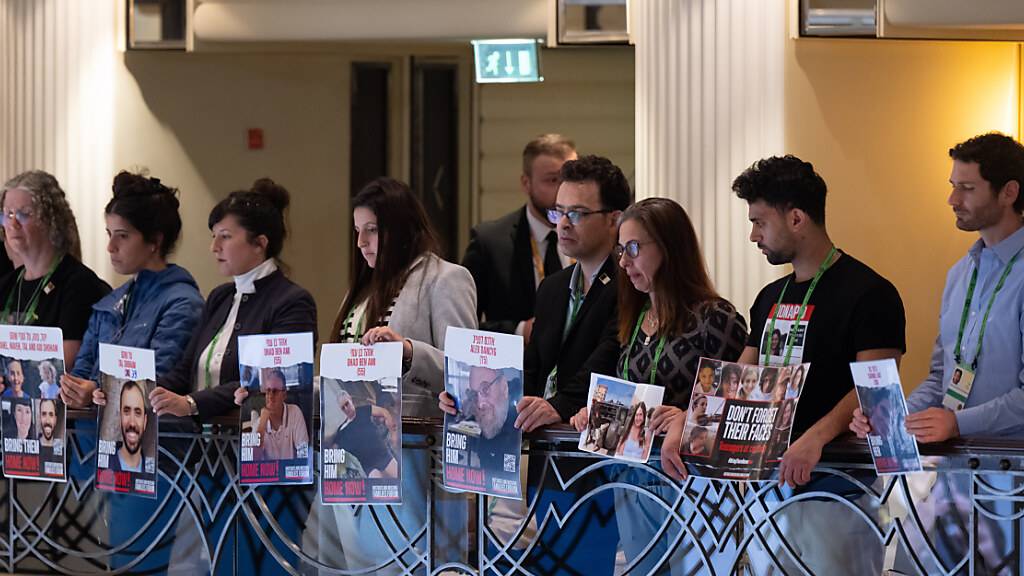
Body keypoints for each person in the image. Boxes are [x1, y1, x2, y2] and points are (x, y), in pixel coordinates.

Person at [659, 155, 905, 576]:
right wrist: (689, 421)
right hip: (767, 490)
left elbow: (875, 388)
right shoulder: (770, 297)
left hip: (837, 488)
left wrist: (816, 438)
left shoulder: (870, 293)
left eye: (759, 221)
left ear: (796, 218)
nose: (753, 235)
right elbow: (739, 378)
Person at [849, 134, 1024, 574]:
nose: (952, 199)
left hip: (1011, 479)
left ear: (1009, 192)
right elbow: (942, 375)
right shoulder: (960, 274)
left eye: (966, 188)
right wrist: (892, 415)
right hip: (955, 477)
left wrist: (957, 422)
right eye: (952, 185)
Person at [571, 197, 748, 576]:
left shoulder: (716, 319)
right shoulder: (634, 319)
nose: (623, 262)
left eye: (633, 248)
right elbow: (628, 395)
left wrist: (687, 416)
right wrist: (597, 413)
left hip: (695, 485)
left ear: (669, 248)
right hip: (635, 480)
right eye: (621, 250)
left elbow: (737, 409)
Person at [318, 176, 474, 573]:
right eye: (357, 232)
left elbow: (468, 373)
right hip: (352, 458)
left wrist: (409, 352)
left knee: (407, 563)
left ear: (400, 229)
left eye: (372, 230)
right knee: (354, 563)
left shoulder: (445, 279)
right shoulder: (363, 290)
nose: (361, 243)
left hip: (416, 456)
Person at [444, 155, 630, 432]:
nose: (563, 224)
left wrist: (559, 405)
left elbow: (608, 358)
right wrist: (468, 399)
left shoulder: (630, 284)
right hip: (545, 447)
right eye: (559, 211)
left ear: (613, 219)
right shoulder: (553, 287)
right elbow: (530, 370)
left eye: (577, 214)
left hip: (592, 444)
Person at [119, 178, 319, 421]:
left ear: (260, 243)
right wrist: (129, 391)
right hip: (203, 447)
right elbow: (184, 371)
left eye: (225, 236)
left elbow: (262, 379)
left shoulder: (293, 302)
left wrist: (191, 403)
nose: (214, 246)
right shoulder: (220, 296)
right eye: (214, 236)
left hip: (252, 443)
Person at [60, 172, 203, 409]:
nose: (110, 247)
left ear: (155, 241)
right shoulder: (110, 302)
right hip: (93, 439)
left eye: (122, 236)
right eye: (109, 234)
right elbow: (81, 371)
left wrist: (95, 390)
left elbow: (161, 382)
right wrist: (74, 389)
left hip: (152, 440)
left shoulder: (183, 304)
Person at [462, 134, 577, 340]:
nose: (563, 191)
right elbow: (463, 328)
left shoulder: (594, 234)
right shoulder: (490, 242)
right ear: (526, 183)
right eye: (552, 180)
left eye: (570, 179)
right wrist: (519, 331)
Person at [0, 171, 110, 367]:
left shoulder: (79, 286)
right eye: (8, 214)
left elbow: (64, 368)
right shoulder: (7, 285)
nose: (13, 224)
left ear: (50, 220)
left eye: (24, 214)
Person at [327, 388, 397, 478]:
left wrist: (393, 434)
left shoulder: (363, 410)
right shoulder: (342, 430)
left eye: (346, 404)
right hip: (368, 466)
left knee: (400, 479)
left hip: (382, 455)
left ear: (350, 399)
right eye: (343, 408)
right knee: (376, 485)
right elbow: (333, 451)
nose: (346, 408)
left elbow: (384, 412)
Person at [248, 369, 308, 461]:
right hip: (270, 473)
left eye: (275, 391)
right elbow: (253, 460)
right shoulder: (260, 422)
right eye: (268, 391)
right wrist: (262, 425)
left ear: (284, 395)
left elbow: (304, 453)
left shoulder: (295, 412)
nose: (271, 396)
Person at [111, 381, 149, 473]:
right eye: (126, 412)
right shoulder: (107, 464)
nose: (132, 423)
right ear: (120, 417)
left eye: (138, 413)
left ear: (145, 421)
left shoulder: (152, 470)